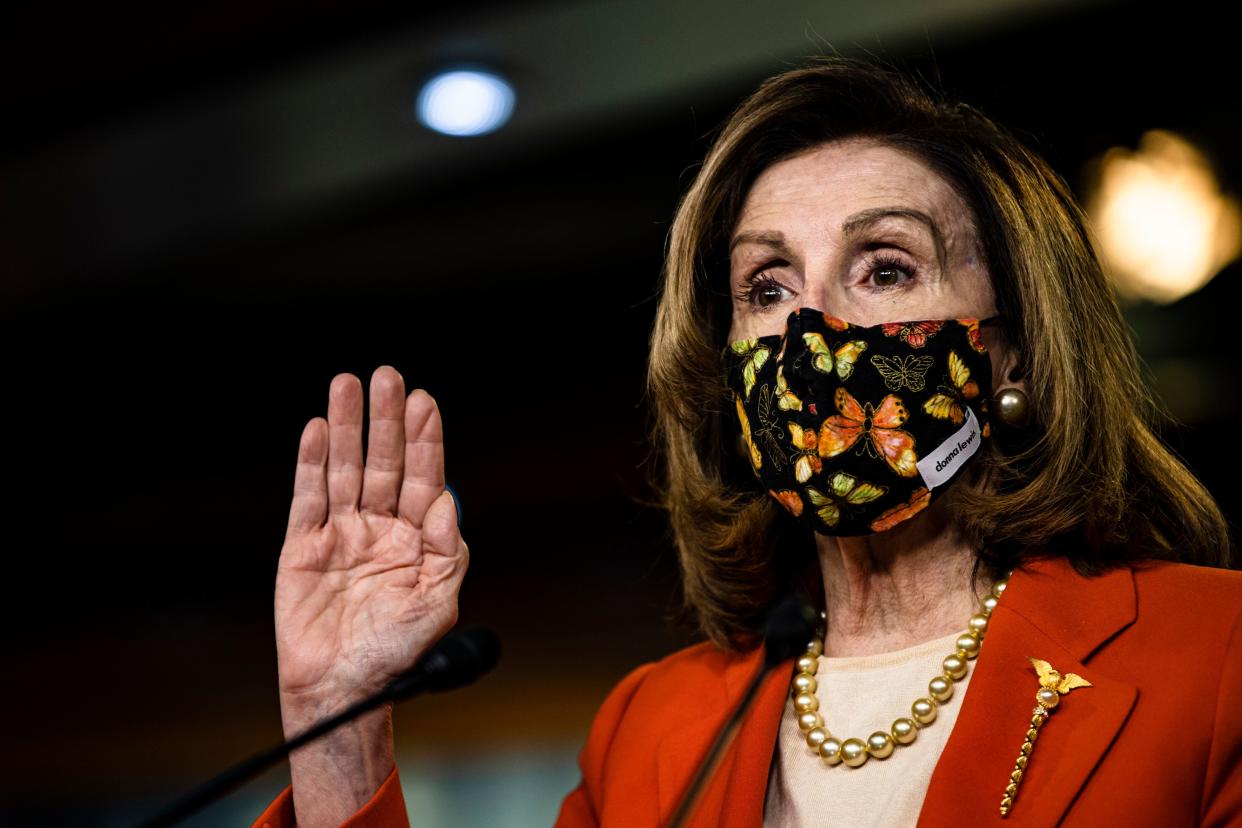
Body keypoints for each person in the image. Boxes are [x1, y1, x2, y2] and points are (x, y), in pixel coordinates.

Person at [253, 57, 1241, 828]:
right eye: (767, 289)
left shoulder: (1214, 654)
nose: (812, 335)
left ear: (1010, 353)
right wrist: (334, 720)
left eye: (885, 269)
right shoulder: (655, 731)